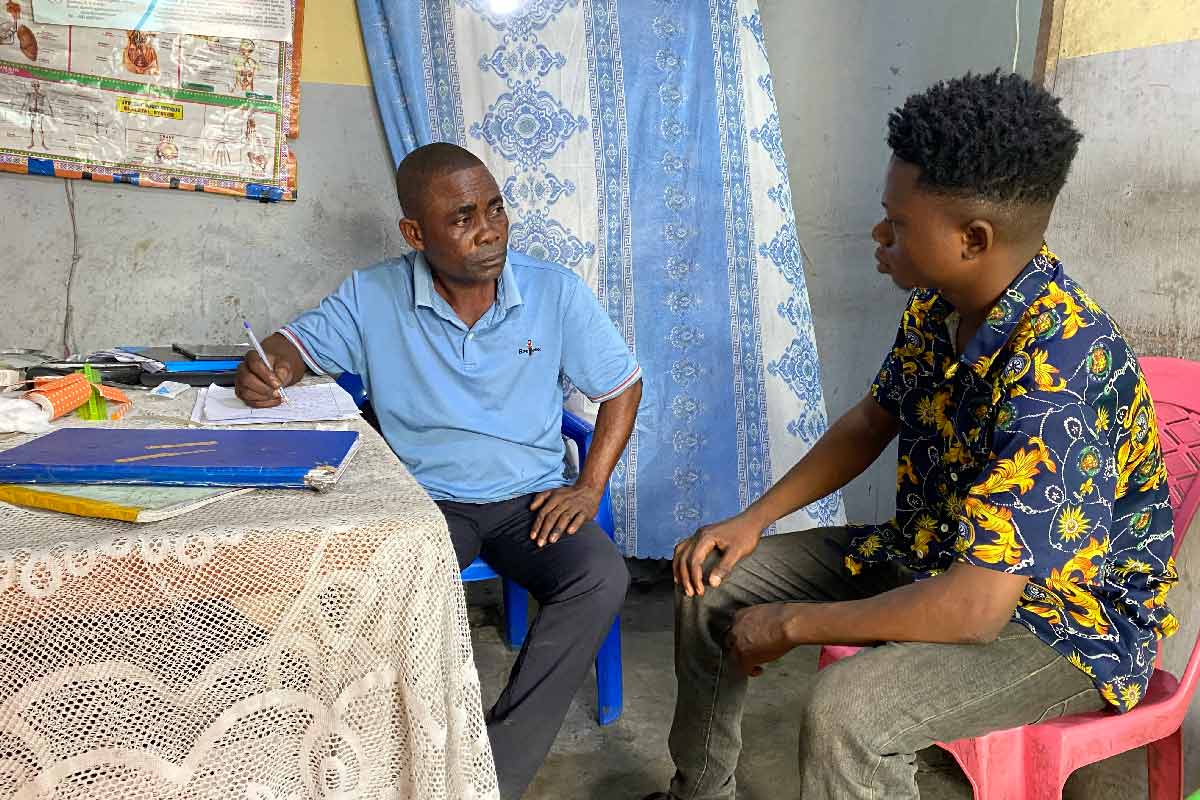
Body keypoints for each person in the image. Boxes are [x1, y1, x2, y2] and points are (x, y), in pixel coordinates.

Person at [643, 71, 1178, 800]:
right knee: (712, 582)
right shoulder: (941, 303)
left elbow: (973, 610)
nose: (879, 234)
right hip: (935, 554)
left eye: (896, 222)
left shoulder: (1060, 373)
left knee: (848, 714)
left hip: (1059, 625)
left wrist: (794, 623)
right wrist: (751, 521)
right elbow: (873, 419)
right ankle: (699, 792)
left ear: (972, 238)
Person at [235, 142, 642, 799]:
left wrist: (588, 485)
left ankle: (492, 774)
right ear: (415, 233)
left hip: (529, 503)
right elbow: (294, 346)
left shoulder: (554, 294)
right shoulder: (375, 295)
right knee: (355, 592)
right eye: (463, 218)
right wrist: (271, 366)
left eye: (496, 209)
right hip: (428, 508)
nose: (489, 230)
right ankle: (363, 761)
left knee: (600, 576)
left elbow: (624, 385)